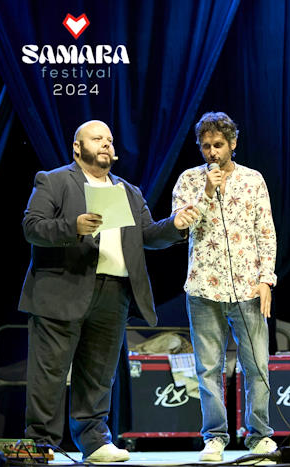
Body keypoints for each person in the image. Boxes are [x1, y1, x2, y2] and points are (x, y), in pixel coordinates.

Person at [19, 120, 199, 463]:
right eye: (96, 138)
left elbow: (147, 234)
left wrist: (174, 226)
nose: (105, 143)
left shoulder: (128, 191)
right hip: (61, 290)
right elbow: (32, 226)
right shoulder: (54, 180)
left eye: (109, 139)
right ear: (77, 147)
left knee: (99, 373)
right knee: (50, 373)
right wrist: (71, 227)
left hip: (114, 292)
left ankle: (95, 441)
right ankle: (40, 444)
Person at [171, 112, 277, 462]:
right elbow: (183, 224)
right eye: (206, 146)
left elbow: (265, 231)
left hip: (247, 288)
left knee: (256, 365)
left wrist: (266, 279)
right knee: (207, 368)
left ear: (232, 143)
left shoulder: (253, 179)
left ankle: (259, 435)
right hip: (203, 287)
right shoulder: (189, 180)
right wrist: (206, 191)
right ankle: (215, 436)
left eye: (218, 145)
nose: (212, 152)